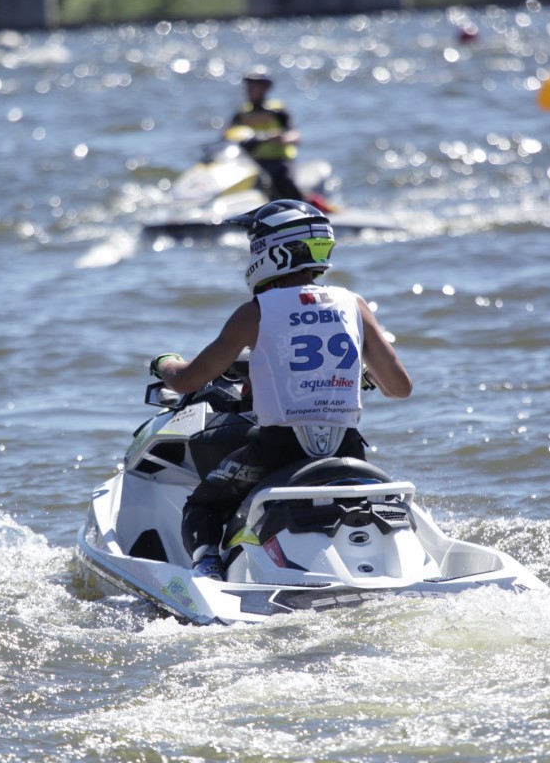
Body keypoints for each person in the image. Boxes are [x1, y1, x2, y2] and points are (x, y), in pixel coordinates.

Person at [149, 200, 412, 580]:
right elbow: (400, 388)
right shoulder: (353, 304)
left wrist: (164, 363)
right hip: (348, 449)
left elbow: (188, 379)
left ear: (271, 252)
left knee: (202, 506)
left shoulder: (255, 312)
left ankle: (208, 570)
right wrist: (362, 375)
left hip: (277, 450)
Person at [228, 67, 307, 203]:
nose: (250, 89)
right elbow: (228, 135)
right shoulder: (241, 113)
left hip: (276, 163)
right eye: (249, 85)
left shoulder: (277, 110)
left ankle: (305, 210)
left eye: (255, 86)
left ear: (266, 88)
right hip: (248, 164)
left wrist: (281, 138)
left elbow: (294, 134)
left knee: (285, 184)